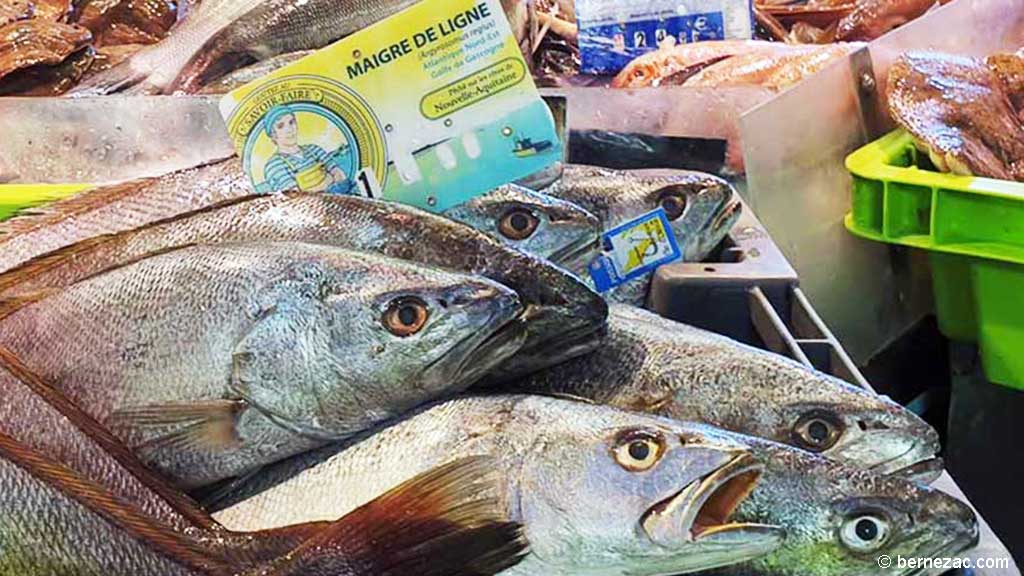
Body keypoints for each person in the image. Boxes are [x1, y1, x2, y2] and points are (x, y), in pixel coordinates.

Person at [261, 104, 352, 194]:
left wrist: (314, 190)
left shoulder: (314, 149)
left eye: (291, 122)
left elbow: (340, 175)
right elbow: (295, 199)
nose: (289, 129)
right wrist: (328, 180)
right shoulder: (274, 165)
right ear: (273, 135)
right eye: (281, 126)